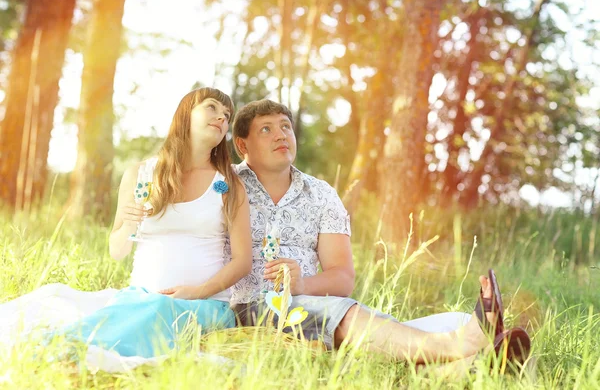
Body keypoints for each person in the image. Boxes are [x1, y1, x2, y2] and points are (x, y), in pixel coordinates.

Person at [227, 99, 531, 365]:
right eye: (266, 129)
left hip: (309, 305)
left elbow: (342, 277)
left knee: (455, 320)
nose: (281, 134)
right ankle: (456, 345)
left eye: (285, 126)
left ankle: (471, 366)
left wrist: (303, 284)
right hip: (248, 308)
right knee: (342, 314)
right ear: (242, 145)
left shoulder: (321, 194)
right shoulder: (223, 186)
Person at [3, 88, 252, 366]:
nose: (221, 117)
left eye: (226, 115)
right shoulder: (141, 174)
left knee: (157, 309)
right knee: (136, 309)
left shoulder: (229, 183)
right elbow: (117, 251)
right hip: (139, 300)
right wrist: (129, 225)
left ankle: (64, 352)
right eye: (212, 108)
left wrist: (197, 291)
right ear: (185, 114)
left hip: (205, 305)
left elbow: (243, 261)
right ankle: (57, 350)